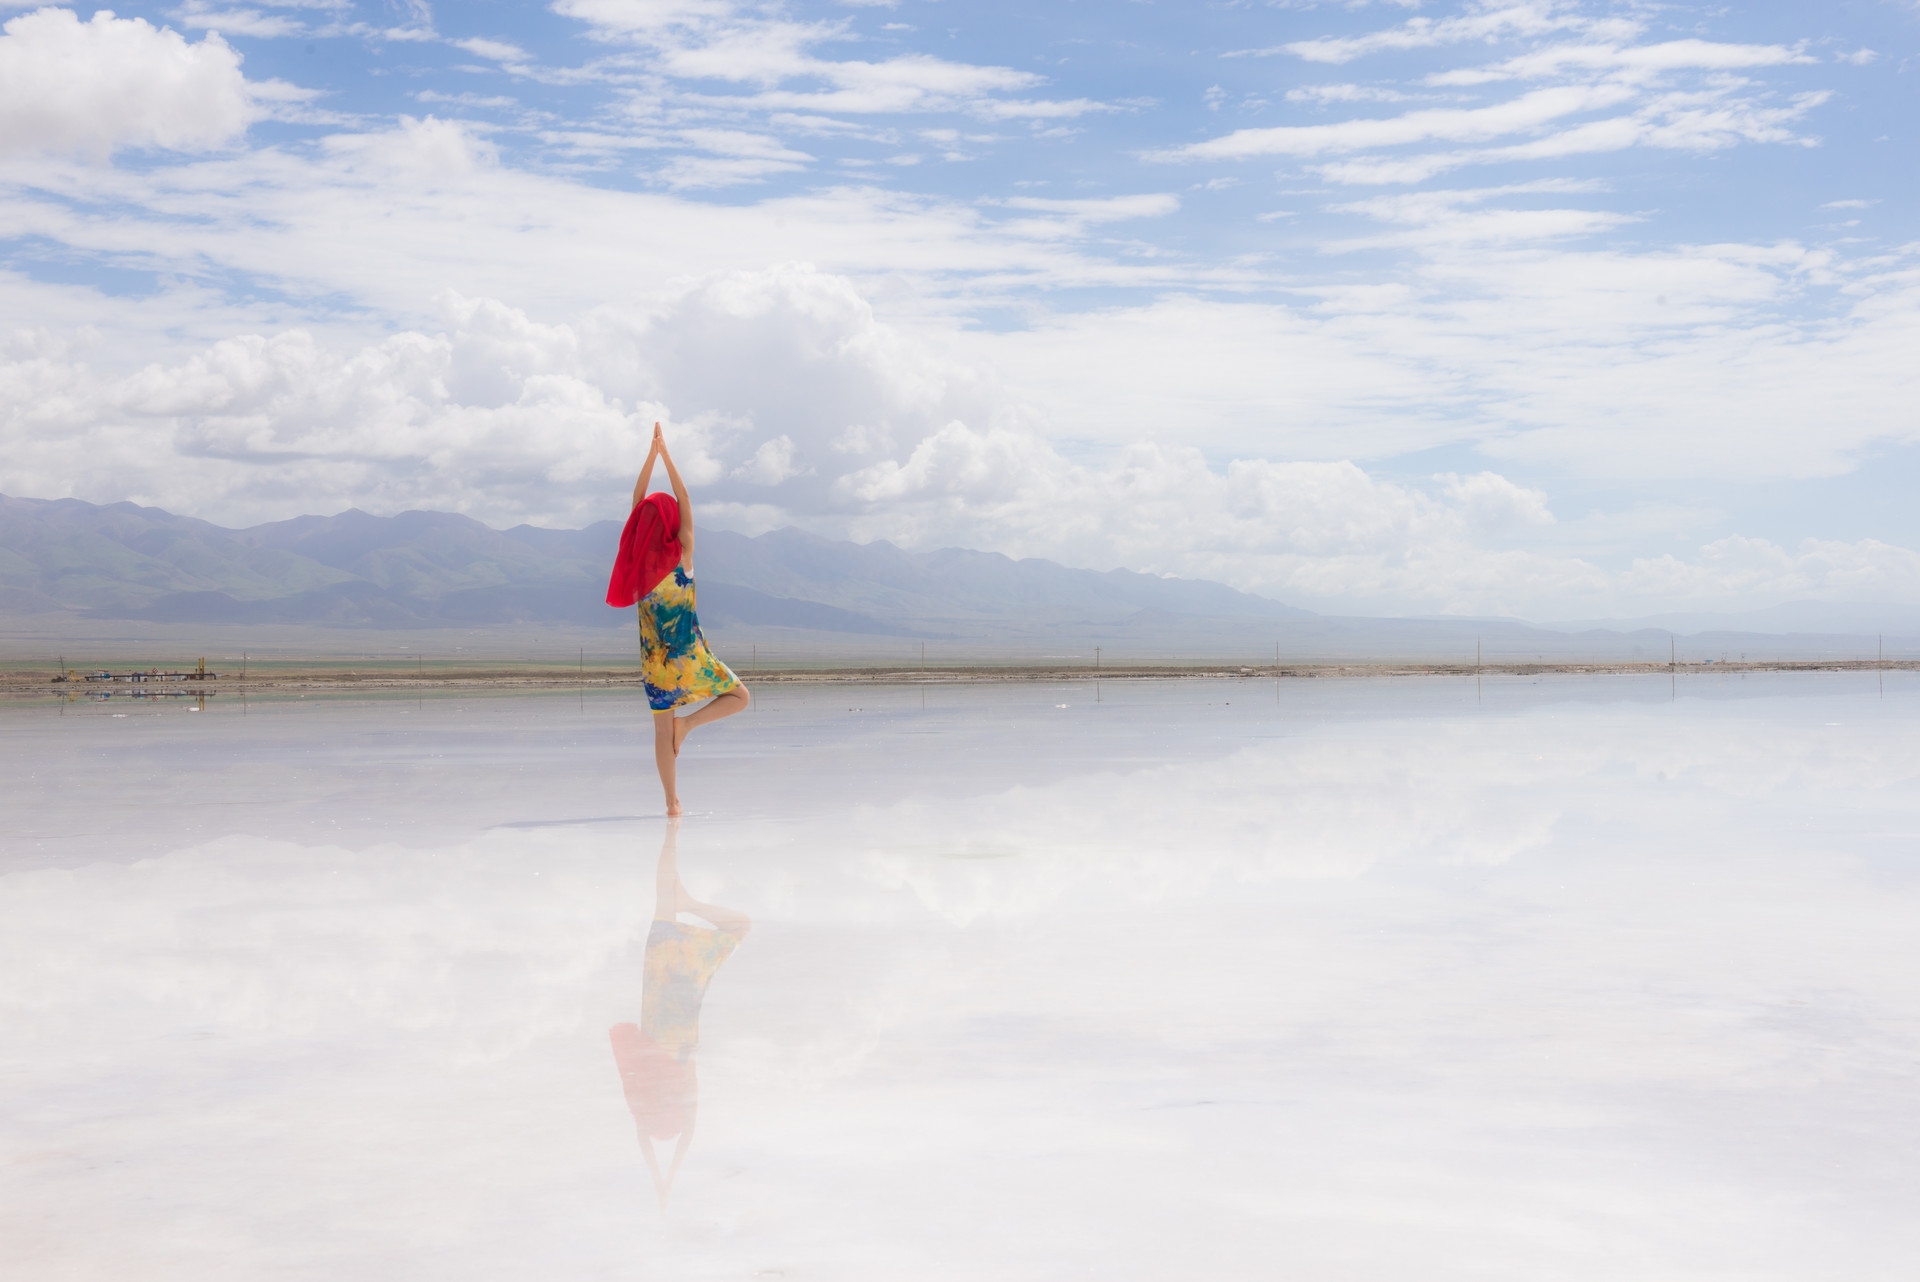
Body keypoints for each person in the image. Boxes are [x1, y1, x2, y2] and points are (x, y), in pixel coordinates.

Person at [606, 423, 750, 816]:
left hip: (655, 664)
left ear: (641, 526)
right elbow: (683, 497)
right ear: (671, 523)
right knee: (740, 697)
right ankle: (687, 726)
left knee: (660, 731)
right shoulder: (683, 555)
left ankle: (671, 803)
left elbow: (637, 501)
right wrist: (664, 455)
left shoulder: (638, 567)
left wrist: (650, 456)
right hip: (690, 655)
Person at [608, 819, 751, 1209]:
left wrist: (667, 1179)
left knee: (741, 925)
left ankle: (686, 889)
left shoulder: (684, 1079)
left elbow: (685, 1135)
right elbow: (646, 1136)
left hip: (685, 983)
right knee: (665, 902)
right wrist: (661, 1179)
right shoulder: (645, 1068)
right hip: (661, 973)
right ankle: (671, 837)